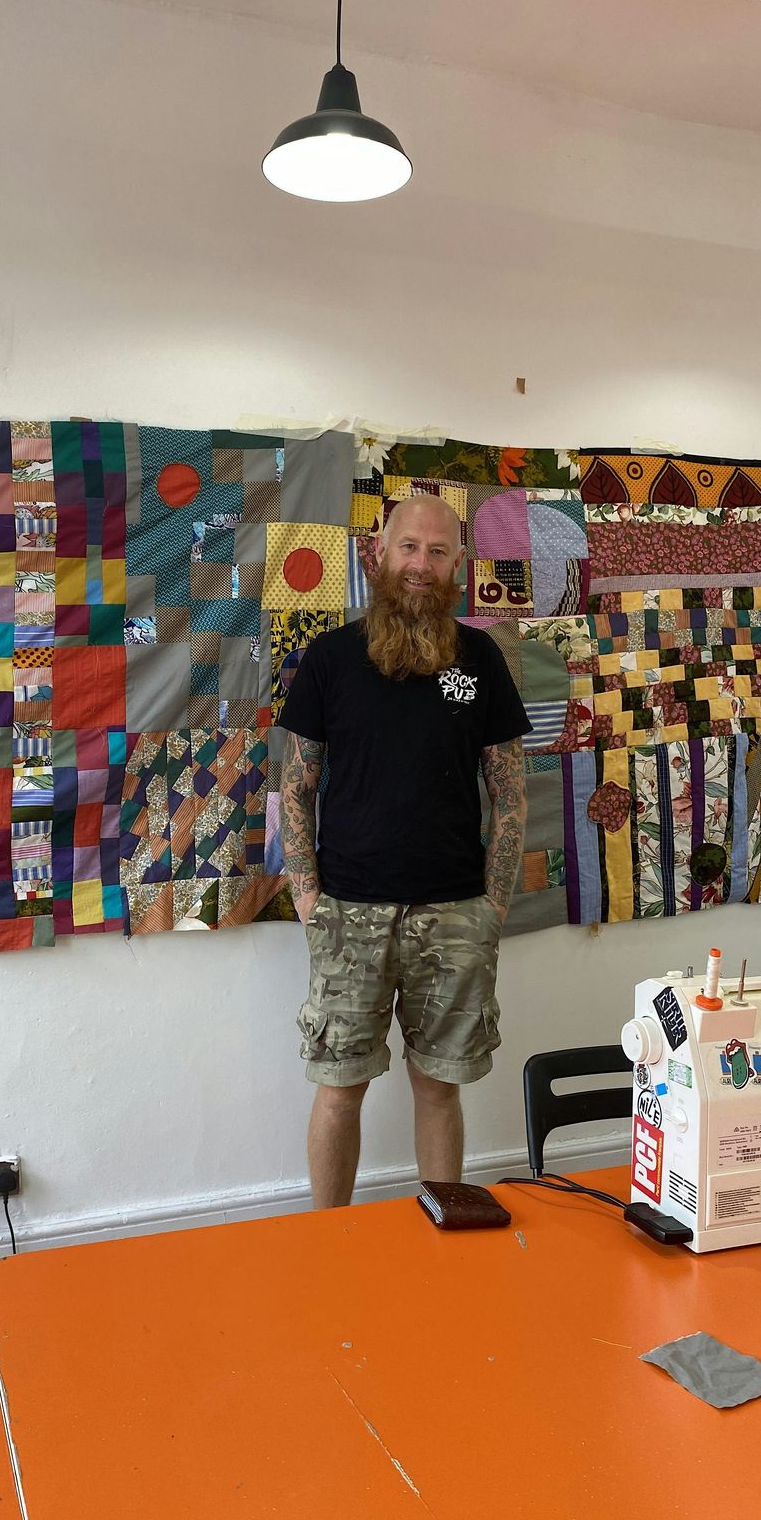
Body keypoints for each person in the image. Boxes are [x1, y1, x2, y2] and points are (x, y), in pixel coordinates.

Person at [277, 493, 531, 1208]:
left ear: (458, 564)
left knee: (439, 1088)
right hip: (347, 914)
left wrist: (494, 906)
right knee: (339, 1089)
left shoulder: (481, 659)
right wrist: (308, 898)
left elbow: (511, 794)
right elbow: (296, 786)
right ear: (379, 553)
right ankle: (329, 1241)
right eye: (409, 548)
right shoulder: (330, 658)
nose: (421, 564)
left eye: (438, 551)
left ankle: (443, 1234)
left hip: (455, 915)